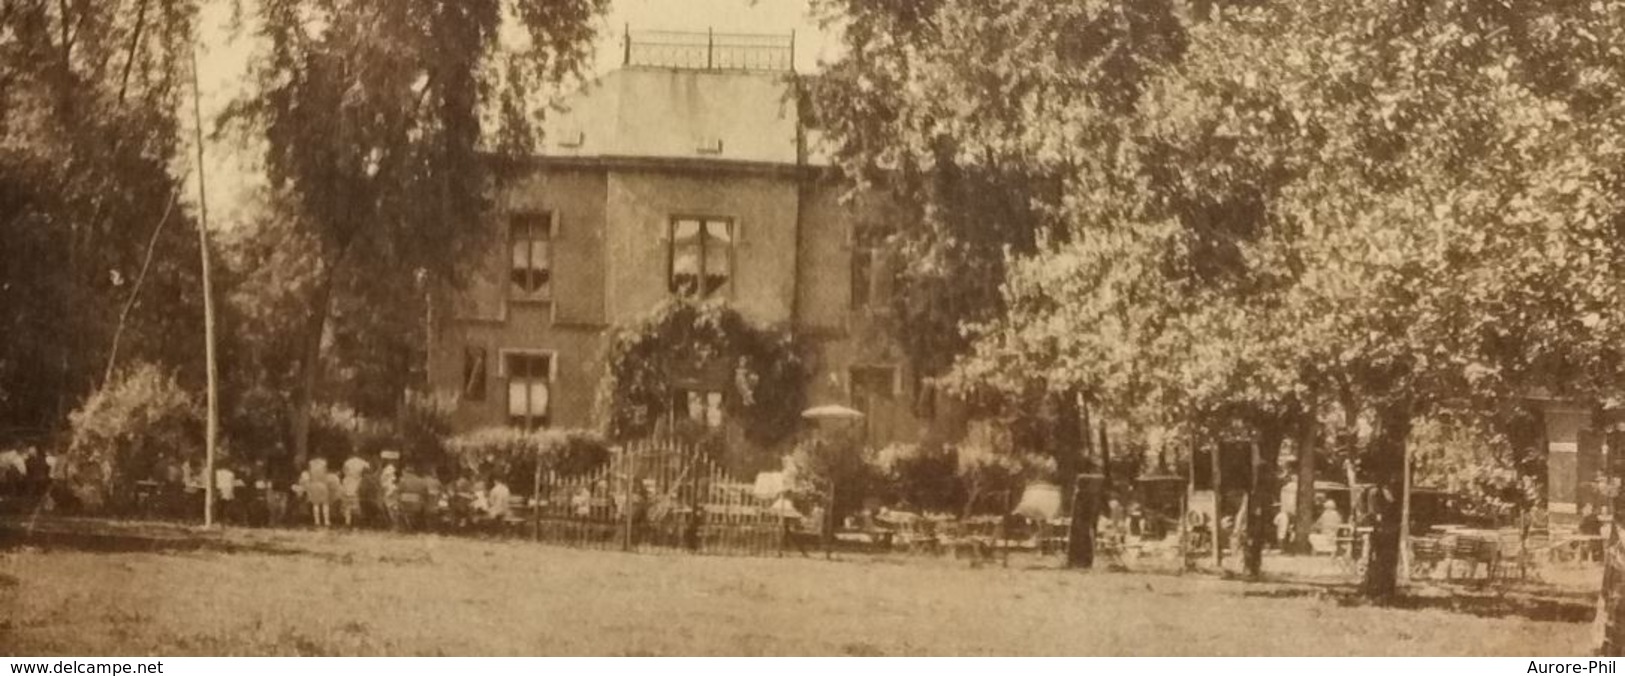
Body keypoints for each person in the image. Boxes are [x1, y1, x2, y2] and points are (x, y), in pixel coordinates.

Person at [304, 458, 334, 528]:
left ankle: (317, 521)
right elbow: (326, 473)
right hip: (322, 484)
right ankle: (326, 521)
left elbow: (309, 473)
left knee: (315, 503)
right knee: (325, 503)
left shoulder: (310, 462)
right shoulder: (324, 462)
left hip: (314, 483)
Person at [340, 454, 368, 528]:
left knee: (347, 504)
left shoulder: (347, 462)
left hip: (348, 482)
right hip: (357, 482)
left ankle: (348, 522)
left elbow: (344, 471)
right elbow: (367, 470)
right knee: (355, 503)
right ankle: (356, 523)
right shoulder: (363, 462)